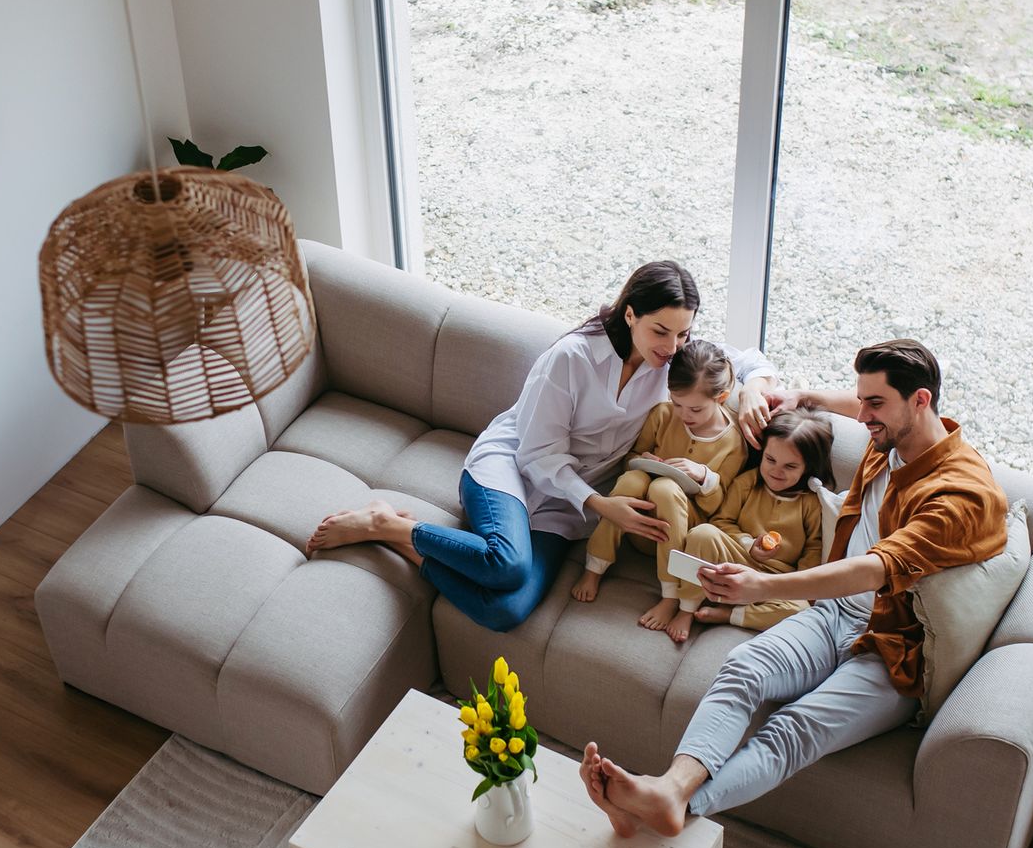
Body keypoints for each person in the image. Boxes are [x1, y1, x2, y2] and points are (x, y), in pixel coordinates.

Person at [579, 339, 1008, 837]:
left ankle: (675, 803)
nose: (864, 416)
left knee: (793, 729)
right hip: (834, 615)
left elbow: (875, 568)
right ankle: (667, 792)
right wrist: (809, 397)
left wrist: (763, 585)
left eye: (875, 404)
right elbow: (860, 406)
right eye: (861, 400)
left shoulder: (961, 495)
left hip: (894, 650)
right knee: (742, 669)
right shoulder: (895, 434)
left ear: (921, 401)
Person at [304, 263, 778, 631]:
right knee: (506, 563)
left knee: (505, 610)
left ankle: (399, 536)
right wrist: (603, 506)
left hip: (569, 506)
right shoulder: (571, 358)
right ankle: (384, 521)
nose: (673, 346)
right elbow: (537, 454)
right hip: (512, 469)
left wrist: (755, 385)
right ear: (630, 313)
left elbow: (746, 360)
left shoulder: (671, 364)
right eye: (661, 331)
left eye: (684, 333)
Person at [570, 340, 748, 635]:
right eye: (676, 403)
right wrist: (644, 460)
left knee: (665, 488)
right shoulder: (663, 415)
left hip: (680, 538)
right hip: (639, 525)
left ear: (722, 398)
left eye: (694, 408)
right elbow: (629, 459)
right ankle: (594, 568)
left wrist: (704, 476)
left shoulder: (732, 443)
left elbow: (719, 509)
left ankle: (670, 596)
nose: (683, 414)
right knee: (632, 479)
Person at [671, 408, 834, 639]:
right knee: (703, 533)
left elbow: (814, 549)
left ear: (807, 466)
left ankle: (731, 615)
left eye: (790, 466)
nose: (776, 471)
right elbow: (721, 521)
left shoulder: (811, 503)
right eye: (770, 460)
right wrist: (749, 545)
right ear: (763, 453)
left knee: (802, 609)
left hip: (775, 581)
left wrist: (799, 585)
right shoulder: (747, 483)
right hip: (737, 559)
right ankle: (686, 608)